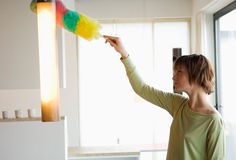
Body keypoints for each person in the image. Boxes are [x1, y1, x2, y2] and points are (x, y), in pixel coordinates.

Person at [103, 35, 225, 160]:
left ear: (195, 74)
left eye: (179, 72)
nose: (173, 77)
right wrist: (124, 53)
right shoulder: (178, 104)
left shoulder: (213, 120)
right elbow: (142, 89)